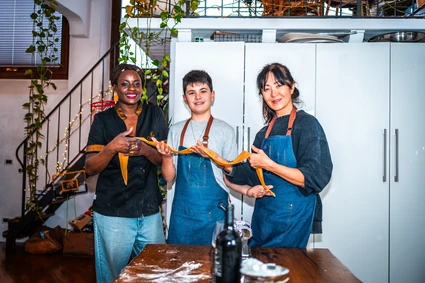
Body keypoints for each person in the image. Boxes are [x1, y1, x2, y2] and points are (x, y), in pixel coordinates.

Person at [224, 62, 333, 248]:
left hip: (293, 219)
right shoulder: (263, 133)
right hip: (264, 218)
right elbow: (251, 175)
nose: (273, 93)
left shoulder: (307, 124)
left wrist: (270, 165)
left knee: (287, 272)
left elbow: (314, 178)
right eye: (267, 88)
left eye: (279, 85)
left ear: (292, 86)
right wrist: (226, 165)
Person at [153, 70, 263, 246]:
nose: (198, 96)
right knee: (181, 267)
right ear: (184, 98)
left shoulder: (225, 131)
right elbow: (169, 178)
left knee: (214, 267)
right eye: (191, 92)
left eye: (203, 91)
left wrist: (247, 191)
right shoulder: (176, 130)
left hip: (215, 215)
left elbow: (229, 175)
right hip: (183, 217)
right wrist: (166, 157)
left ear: (212, 95)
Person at [85, 63, 168, 283]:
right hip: (113, 211)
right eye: (124, 83)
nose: (131, 88)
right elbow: (90, 168)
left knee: (156, 271)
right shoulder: (103, 120)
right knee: (114, 274)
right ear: (115, 87)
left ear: (142, 87)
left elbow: (163, 159)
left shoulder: (155, 114)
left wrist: (144, 149)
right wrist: (111, 147)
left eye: (136, 83)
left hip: (149, 209)